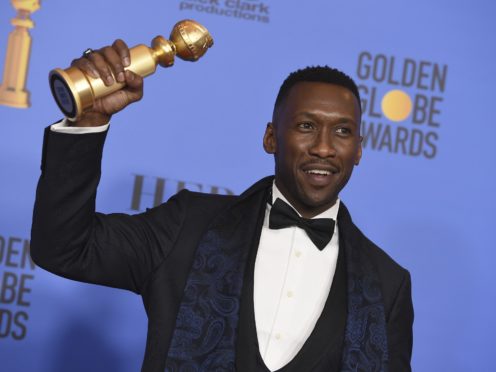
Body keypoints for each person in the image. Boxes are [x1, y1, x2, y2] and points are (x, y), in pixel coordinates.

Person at [30, 40, 413, 372]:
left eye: (343, 131)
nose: (324, 147)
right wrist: (88, 121)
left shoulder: (387, 284)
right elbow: (65, 249)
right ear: (270, 138)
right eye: (306, 126)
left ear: (359, 150)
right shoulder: (189, 225)